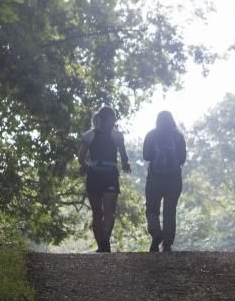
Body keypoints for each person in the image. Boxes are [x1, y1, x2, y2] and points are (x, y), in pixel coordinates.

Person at [78, 106, 131, 253]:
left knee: (97, 213)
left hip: (94, 176)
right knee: (109, 212)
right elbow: (124, 157)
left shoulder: (89, 136)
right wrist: (126, 164)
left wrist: (86, 167)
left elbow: (81, 158)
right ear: (107, 119)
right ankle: (105, 239)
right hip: (110, 176)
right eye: (113, 118)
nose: (114, 121)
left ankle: (102, 245)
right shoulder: (117, 136)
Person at [142, 111, 187, 252]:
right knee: (170, 211)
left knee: (152, 209)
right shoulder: (178, 137)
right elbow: (182, 159)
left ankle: (156, 232)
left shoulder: (151, 135)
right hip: (173, 179)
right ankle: (167, 243)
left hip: (154, 178)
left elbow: (146, 156)